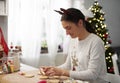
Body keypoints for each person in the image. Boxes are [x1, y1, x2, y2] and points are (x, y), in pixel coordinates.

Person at [40, 8, 107, 83]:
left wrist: (63, 72)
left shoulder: (96, 42)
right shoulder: (73, 40)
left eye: (68, 28)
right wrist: (52, 69)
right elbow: (68, 66)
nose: (67, 33)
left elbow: (92, 74)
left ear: (80, 23)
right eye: (65, 29)